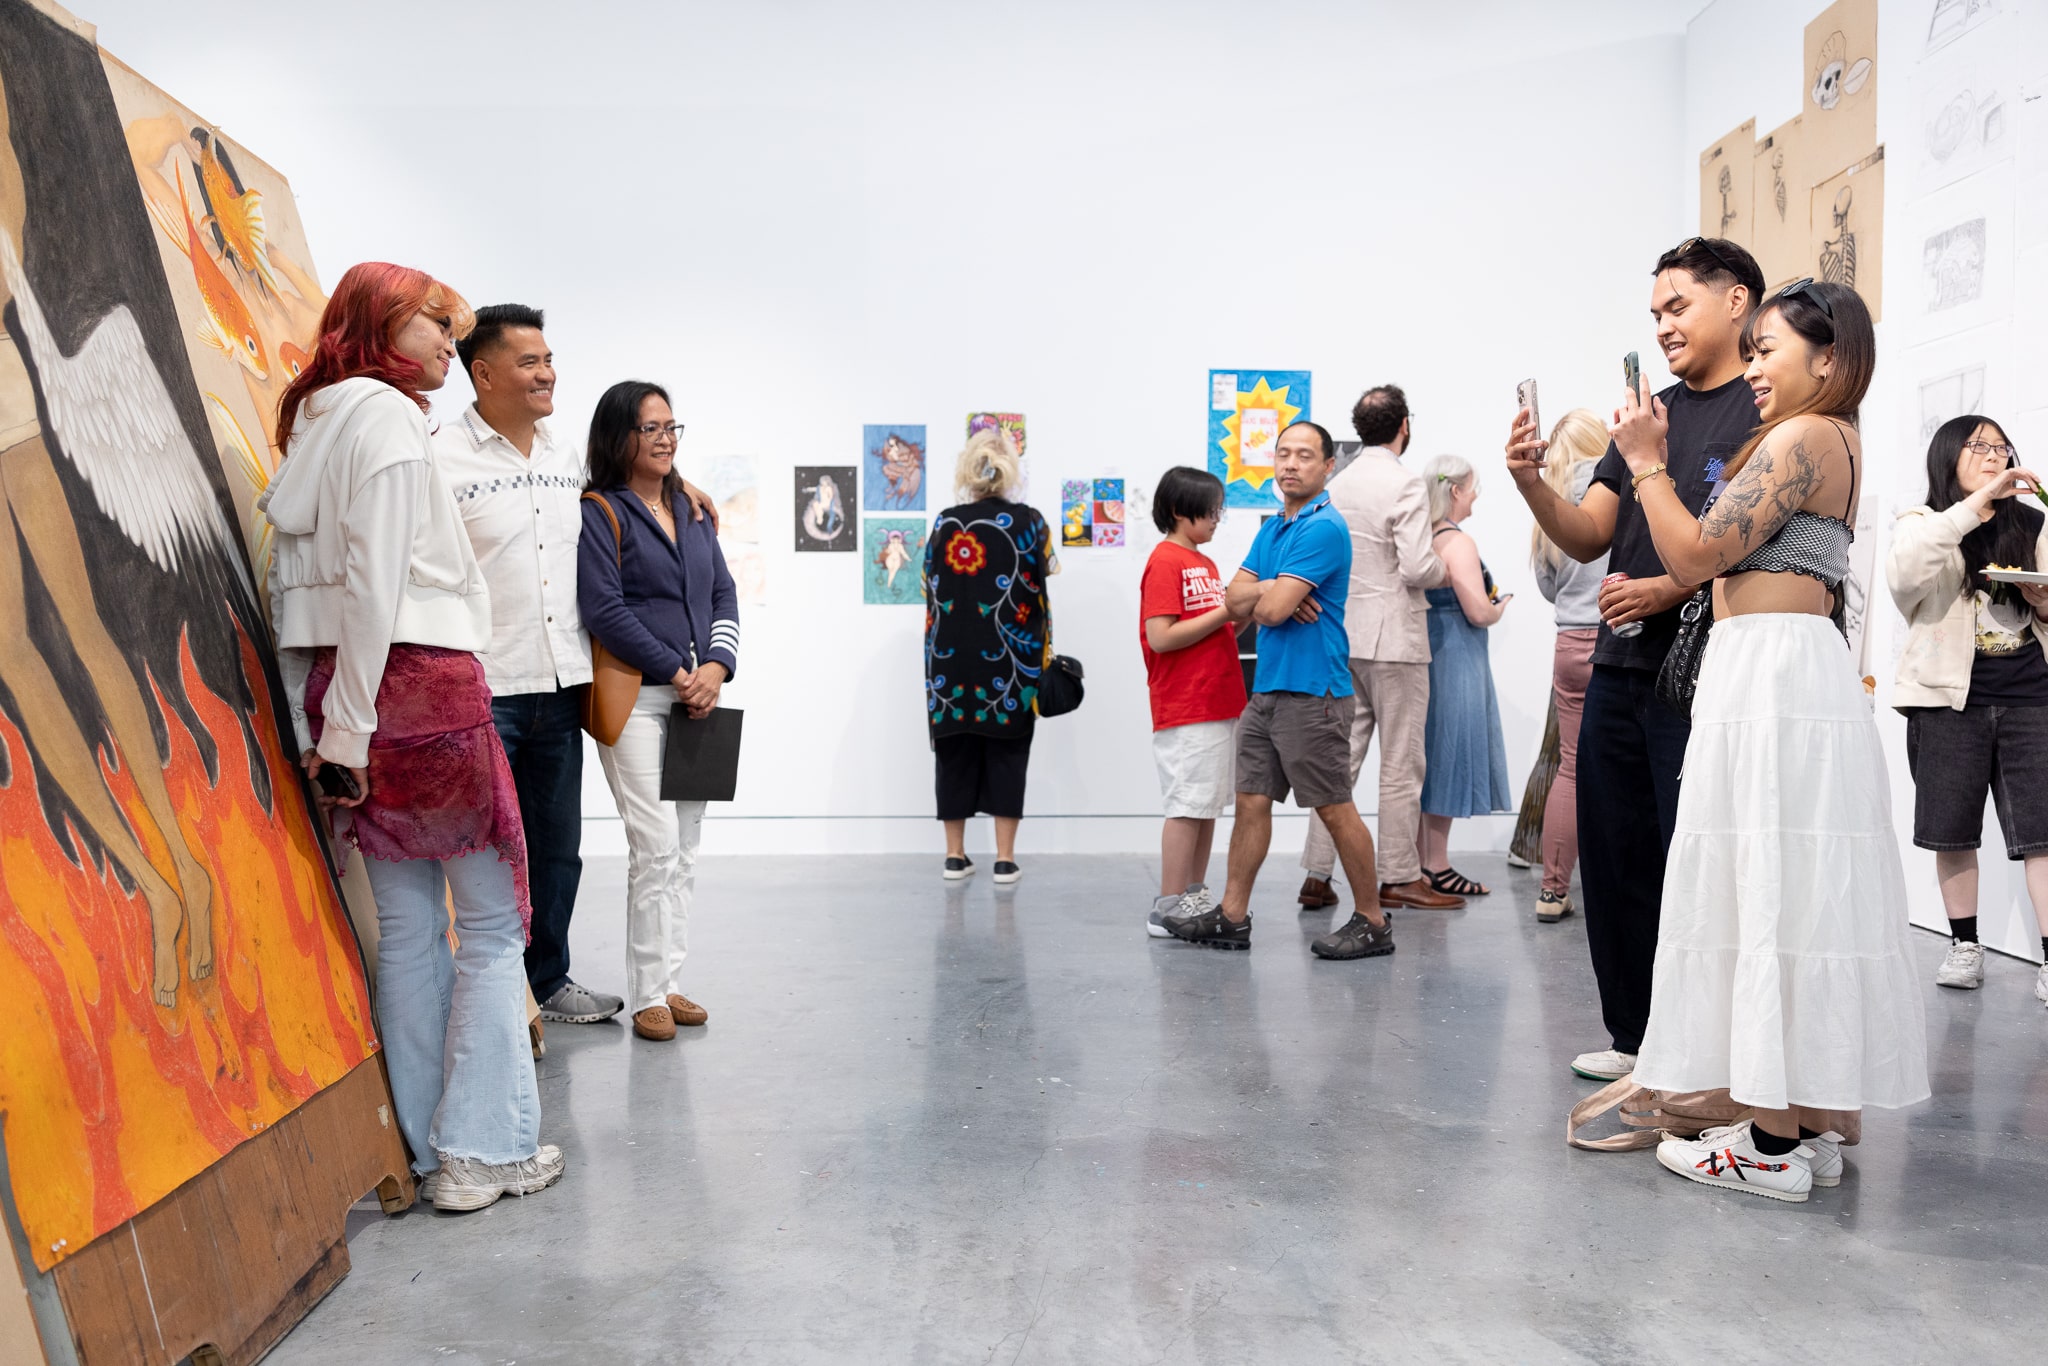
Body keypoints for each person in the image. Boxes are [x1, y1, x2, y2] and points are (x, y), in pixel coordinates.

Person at [1620, 277, 1929, 1202]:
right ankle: (1799, 1123)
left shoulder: (1805, 435)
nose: (1752, 367)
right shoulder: (1834, 438)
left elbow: (1693, 554)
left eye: (1767, 349)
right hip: (1784, 669)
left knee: (1764, 882)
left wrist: (1643, 461)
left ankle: (1767, 1142)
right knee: (1790, 889)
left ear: (1827, 358)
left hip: (1772, 676)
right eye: (1749, 350)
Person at [262, 262, 562, 1212]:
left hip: (347, 693)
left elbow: (303, 599)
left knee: (407, 931)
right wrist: (348, 729)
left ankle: (435, 1150)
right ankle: (485, 1152)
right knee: (487, 925)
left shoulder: (315, 418)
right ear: (378, 325)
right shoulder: (388, 421)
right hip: (420, 691)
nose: (447, 343)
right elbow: (378, 585)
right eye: (433, 323)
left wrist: (331, 720)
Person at [1505, 236, 1764, 1082]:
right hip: (1618, 665)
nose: (1662, 326)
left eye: (1678, 306)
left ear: (1736, 301)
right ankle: (1634, 1036)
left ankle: (1699, 1047)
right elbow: (1588, 534)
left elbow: (1759, 544)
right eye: (1655, 313)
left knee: (1696, 858)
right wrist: (1531, 484)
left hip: (1703, 669)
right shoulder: (1648, 413)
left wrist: (1664, 590)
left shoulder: (1765, 408)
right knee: (1617, 859)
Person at [434, 304, 620, 1030]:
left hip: (562, 684)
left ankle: (547, 981)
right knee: (486, 851)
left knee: (557, 849)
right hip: (485, 686)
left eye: (548, 360)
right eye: (529, 362)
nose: (547, 374)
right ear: (482, 374)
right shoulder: (442, 457)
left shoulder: (566, 454)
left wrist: (683, 492)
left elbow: (625, 506)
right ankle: (497, 990)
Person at [1163, 422, 1395, 961]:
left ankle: (1373, 920)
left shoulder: (1323, 528)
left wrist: (1264, 595)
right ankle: (1233, 915)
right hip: (1267, 690)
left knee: (1334, 808)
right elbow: (1234, 593)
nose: (1290, 464)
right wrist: (1270, 588)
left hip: (1314, 691)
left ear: (1327, 466)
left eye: (1305, 456)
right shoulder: (1274, 529)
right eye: (1283, 454)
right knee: (1250, 803)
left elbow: (1261, 610)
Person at [578, 381, 738, 1042]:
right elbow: (603, 608)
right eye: (651, 428)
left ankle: (671, 981)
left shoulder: (695, 510)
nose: (667, 438)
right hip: (641, 700)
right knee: (655, 846)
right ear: (621, 437)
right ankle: (647, 991)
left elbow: (723, 592)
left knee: (688, 851)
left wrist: (716, 668)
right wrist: (676, 670)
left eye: (673, 426)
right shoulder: (601, 511)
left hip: (701, 704)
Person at [1887, 415, 2048, 1002]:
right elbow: (1905, 579)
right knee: (1952, 831)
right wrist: (1975, 505)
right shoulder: (1924, 523)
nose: (1993, 454)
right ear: (1948, 453)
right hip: (1947, 700)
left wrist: (2043, 602)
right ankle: (1965, 944)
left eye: (2001, 446)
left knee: (2042, 834)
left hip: (2031, 693)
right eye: (1979, 446)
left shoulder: (2033, 522)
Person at [1298, 385, 1464, 914]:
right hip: (1396, 638)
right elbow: (1417, 568)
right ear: (1405, 426)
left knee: (1339, 762)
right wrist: (1450, 570)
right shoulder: (1405, 483)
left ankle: (1317, 875)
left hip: (1344, 636)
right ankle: (1397, 876)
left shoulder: (1337, 483)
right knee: (1400, 765)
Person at [925, 429, 1053, 885]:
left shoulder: (944, 523)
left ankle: (955, 856)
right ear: (1010, 471)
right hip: (1012, 660)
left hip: (949, 659)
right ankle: (1004, 859)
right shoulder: (1032, 522)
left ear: (967, 469)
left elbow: (928, 588)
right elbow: (1048, 576)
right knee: (1008, 752)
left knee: (953, 752)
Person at [1140, 467, 1249, 936]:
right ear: (1182, 512)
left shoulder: (1202, 562)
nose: (1217, 520)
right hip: (1187, 705)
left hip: (1217, 701)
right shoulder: (1166, 561)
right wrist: (1227, 609)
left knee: (1206, 806)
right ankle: (1168, 905)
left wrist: (1238, 615)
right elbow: (1161, 637)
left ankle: (1192, 894)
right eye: (1211, 511)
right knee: (1186, 805)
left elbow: (1214, 632)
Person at [1527, 409, 1612, 921]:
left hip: (1569, 641)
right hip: (1621, 638)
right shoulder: (1624, 487)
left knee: (1572, 769)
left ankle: (1553, 891)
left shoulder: (1551, 497)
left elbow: (1545, 584)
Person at [1416, 455, 1512, 895]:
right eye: (1472, 488)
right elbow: (1477, 610)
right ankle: (1435, 864)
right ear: (1455, 491)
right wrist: (1499, 608)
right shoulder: (1460, 543)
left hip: (1429, 653)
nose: (1475, 497)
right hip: (1457, 657)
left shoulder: (1423, 539)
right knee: (1449, 757)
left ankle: (1420, 863)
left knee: (1428, 759)